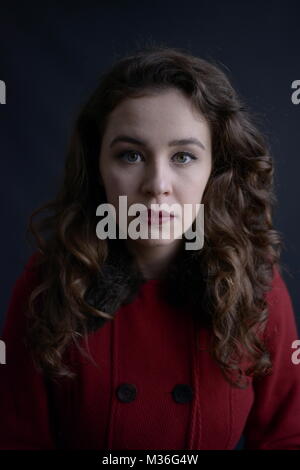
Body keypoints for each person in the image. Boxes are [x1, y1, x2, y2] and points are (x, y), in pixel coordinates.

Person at [1, 45, 299, 450]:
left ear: (216, 169)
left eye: (183, 156)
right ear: (98, 167)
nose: (157, 185)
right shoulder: (48, 284)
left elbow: (287, 436)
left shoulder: (255, 283)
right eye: (131, 155)